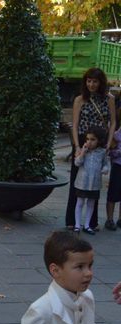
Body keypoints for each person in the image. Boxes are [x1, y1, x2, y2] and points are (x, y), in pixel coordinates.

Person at [65, 68, 116, 230]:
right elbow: (75, 123)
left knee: (95, 180)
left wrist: (108, 143)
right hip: (83, 141)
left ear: (101, 82)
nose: (91, 84)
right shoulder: (80, 99)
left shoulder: (109, 99)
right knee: (76, 180)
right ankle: (72, 221)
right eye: (88, 81)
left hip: (100, 143)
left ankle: (91, 223)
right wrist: (77, 146)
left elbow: (113, 122)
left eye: (94, 81)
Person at [73, 126, 108, 234]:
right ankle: (77, 225)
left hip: (95, 183)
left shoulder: (102, 152)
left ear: (99, 140)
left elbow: (106, 164)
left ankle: (87, 225)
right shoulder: (84, 151)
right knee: (79, 202)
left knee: (91, 204)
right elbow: (77, 163)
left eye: (93, 139)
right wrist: (82, 152)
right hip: (82, 182)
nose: (89, 142)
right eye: (87, 139)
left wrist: (105, 169)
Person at [104, 126, 121, 230]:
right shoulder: (116, 134)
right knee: (113, 192)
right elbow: (110, 151)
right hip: (118, 166)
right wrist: (119, 152)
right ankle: (109, 219)